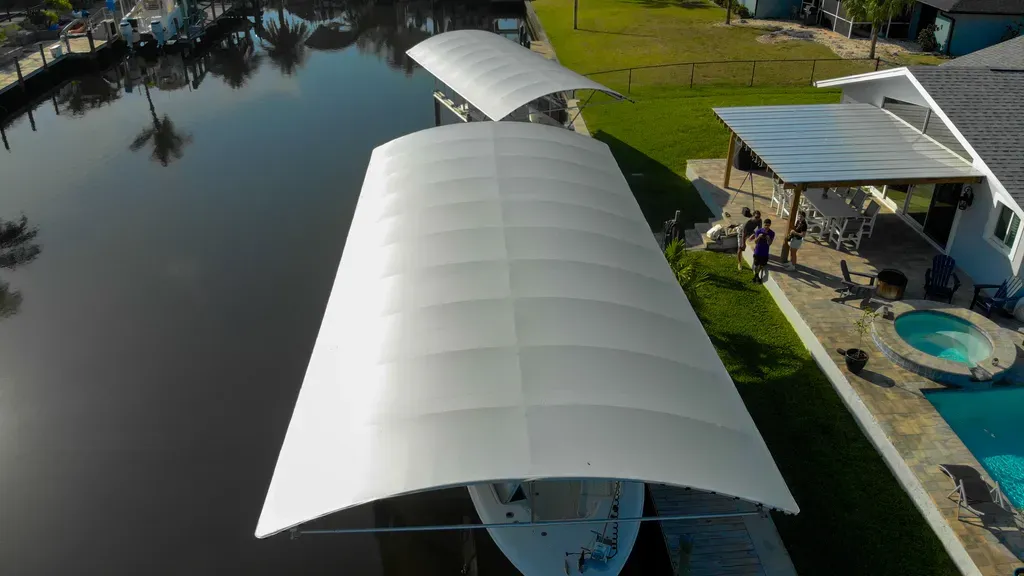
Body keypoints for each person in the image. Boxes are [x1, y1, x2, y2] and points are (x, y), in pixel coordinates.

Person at [750, 218, 774, 283]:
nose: (766, 227)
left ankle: (756, 276)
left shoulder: (772, 233)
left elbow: (769, 244)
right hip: (758, 251)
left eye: (768, 225)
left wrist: (768, 238)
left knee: (761, 265)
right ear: (763, 224)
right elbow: (755, 242)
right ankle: (756, 276)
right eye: (765, 225)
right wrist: (759, 237)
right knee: (756, 264)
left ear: (770, 225)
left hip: (765, 252)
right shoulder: (758, 231)